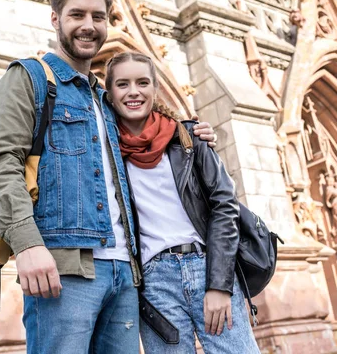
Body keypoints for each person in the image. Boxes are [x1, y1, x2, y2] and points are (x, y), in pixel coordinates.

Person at [0, 0, 215, 354]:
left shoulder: (106, 100)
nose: (88, 26)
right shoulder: (29, 79)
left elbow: (149, 140)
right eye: (77, 15)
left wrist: (192, 134)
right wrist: (27, 246)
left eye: (98, 17)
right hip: (65, 270)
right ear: (55, 19)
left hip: (127, 272)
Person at [104, 51, 261, 354]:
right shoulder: (106, 150)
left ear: (155, 89)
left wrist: (219, 283)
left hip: (207, 265)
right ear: (109, 94)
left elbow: (224, 206)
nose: (133, 91)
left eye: (142, 82)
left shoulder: (189, 138)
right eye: (122, 84)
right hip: (154, 281)